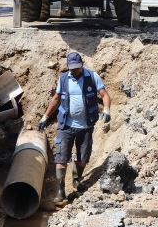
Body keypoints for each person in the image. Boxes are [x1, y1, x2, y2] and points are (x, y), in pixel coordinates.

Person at [38, 51, 111, 203]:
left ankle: (77, 179)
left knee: (83, 157)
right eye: (72, 68)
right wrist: (45, 116)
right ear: (68, 66)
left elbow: (104, 95)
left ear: (82, 65)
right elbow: (56, 98)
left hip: (86, 127)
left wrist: (106, 109)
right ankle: (60, 191)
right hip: (66, 126)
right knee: (61, 159)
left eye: (77, 67)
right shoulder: (64, 79)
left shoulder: (91, 77)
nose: (74, 70)